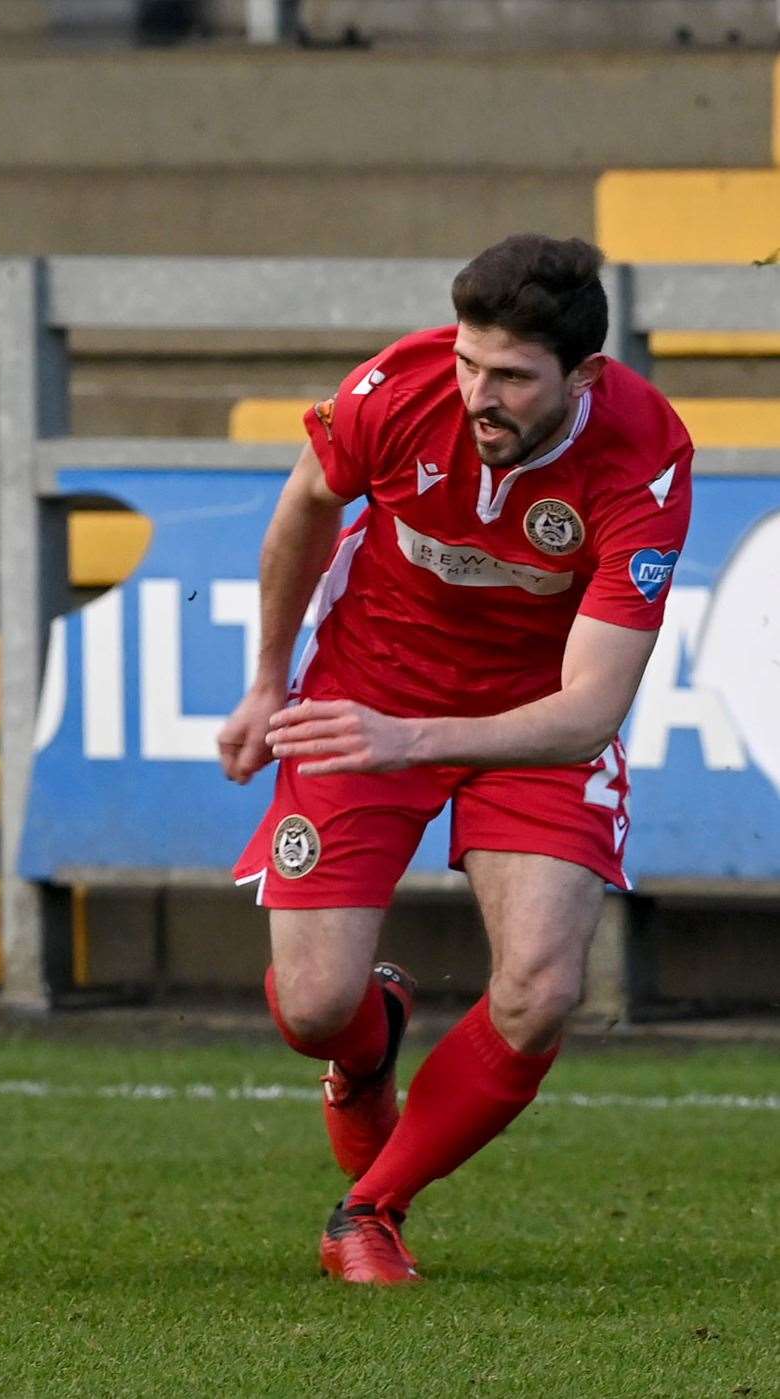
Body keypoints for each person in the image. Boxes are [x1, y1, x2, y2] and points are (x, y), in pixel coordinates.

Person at [218, 235, 692, 1285]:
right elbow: (305, 503)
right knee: (310, 1009)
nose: (479, 393)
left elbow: (585, 714)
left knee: (537, 986)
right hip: (364, 692)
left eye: (513, 377)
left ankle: (368, 1209)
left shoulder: (643, 458)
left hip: (530, 728)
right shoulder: (395, 389)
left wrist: (415, 741)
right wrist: (264, 680)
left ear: (584, 377)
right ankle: (366, 1042)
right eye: (470, 365)